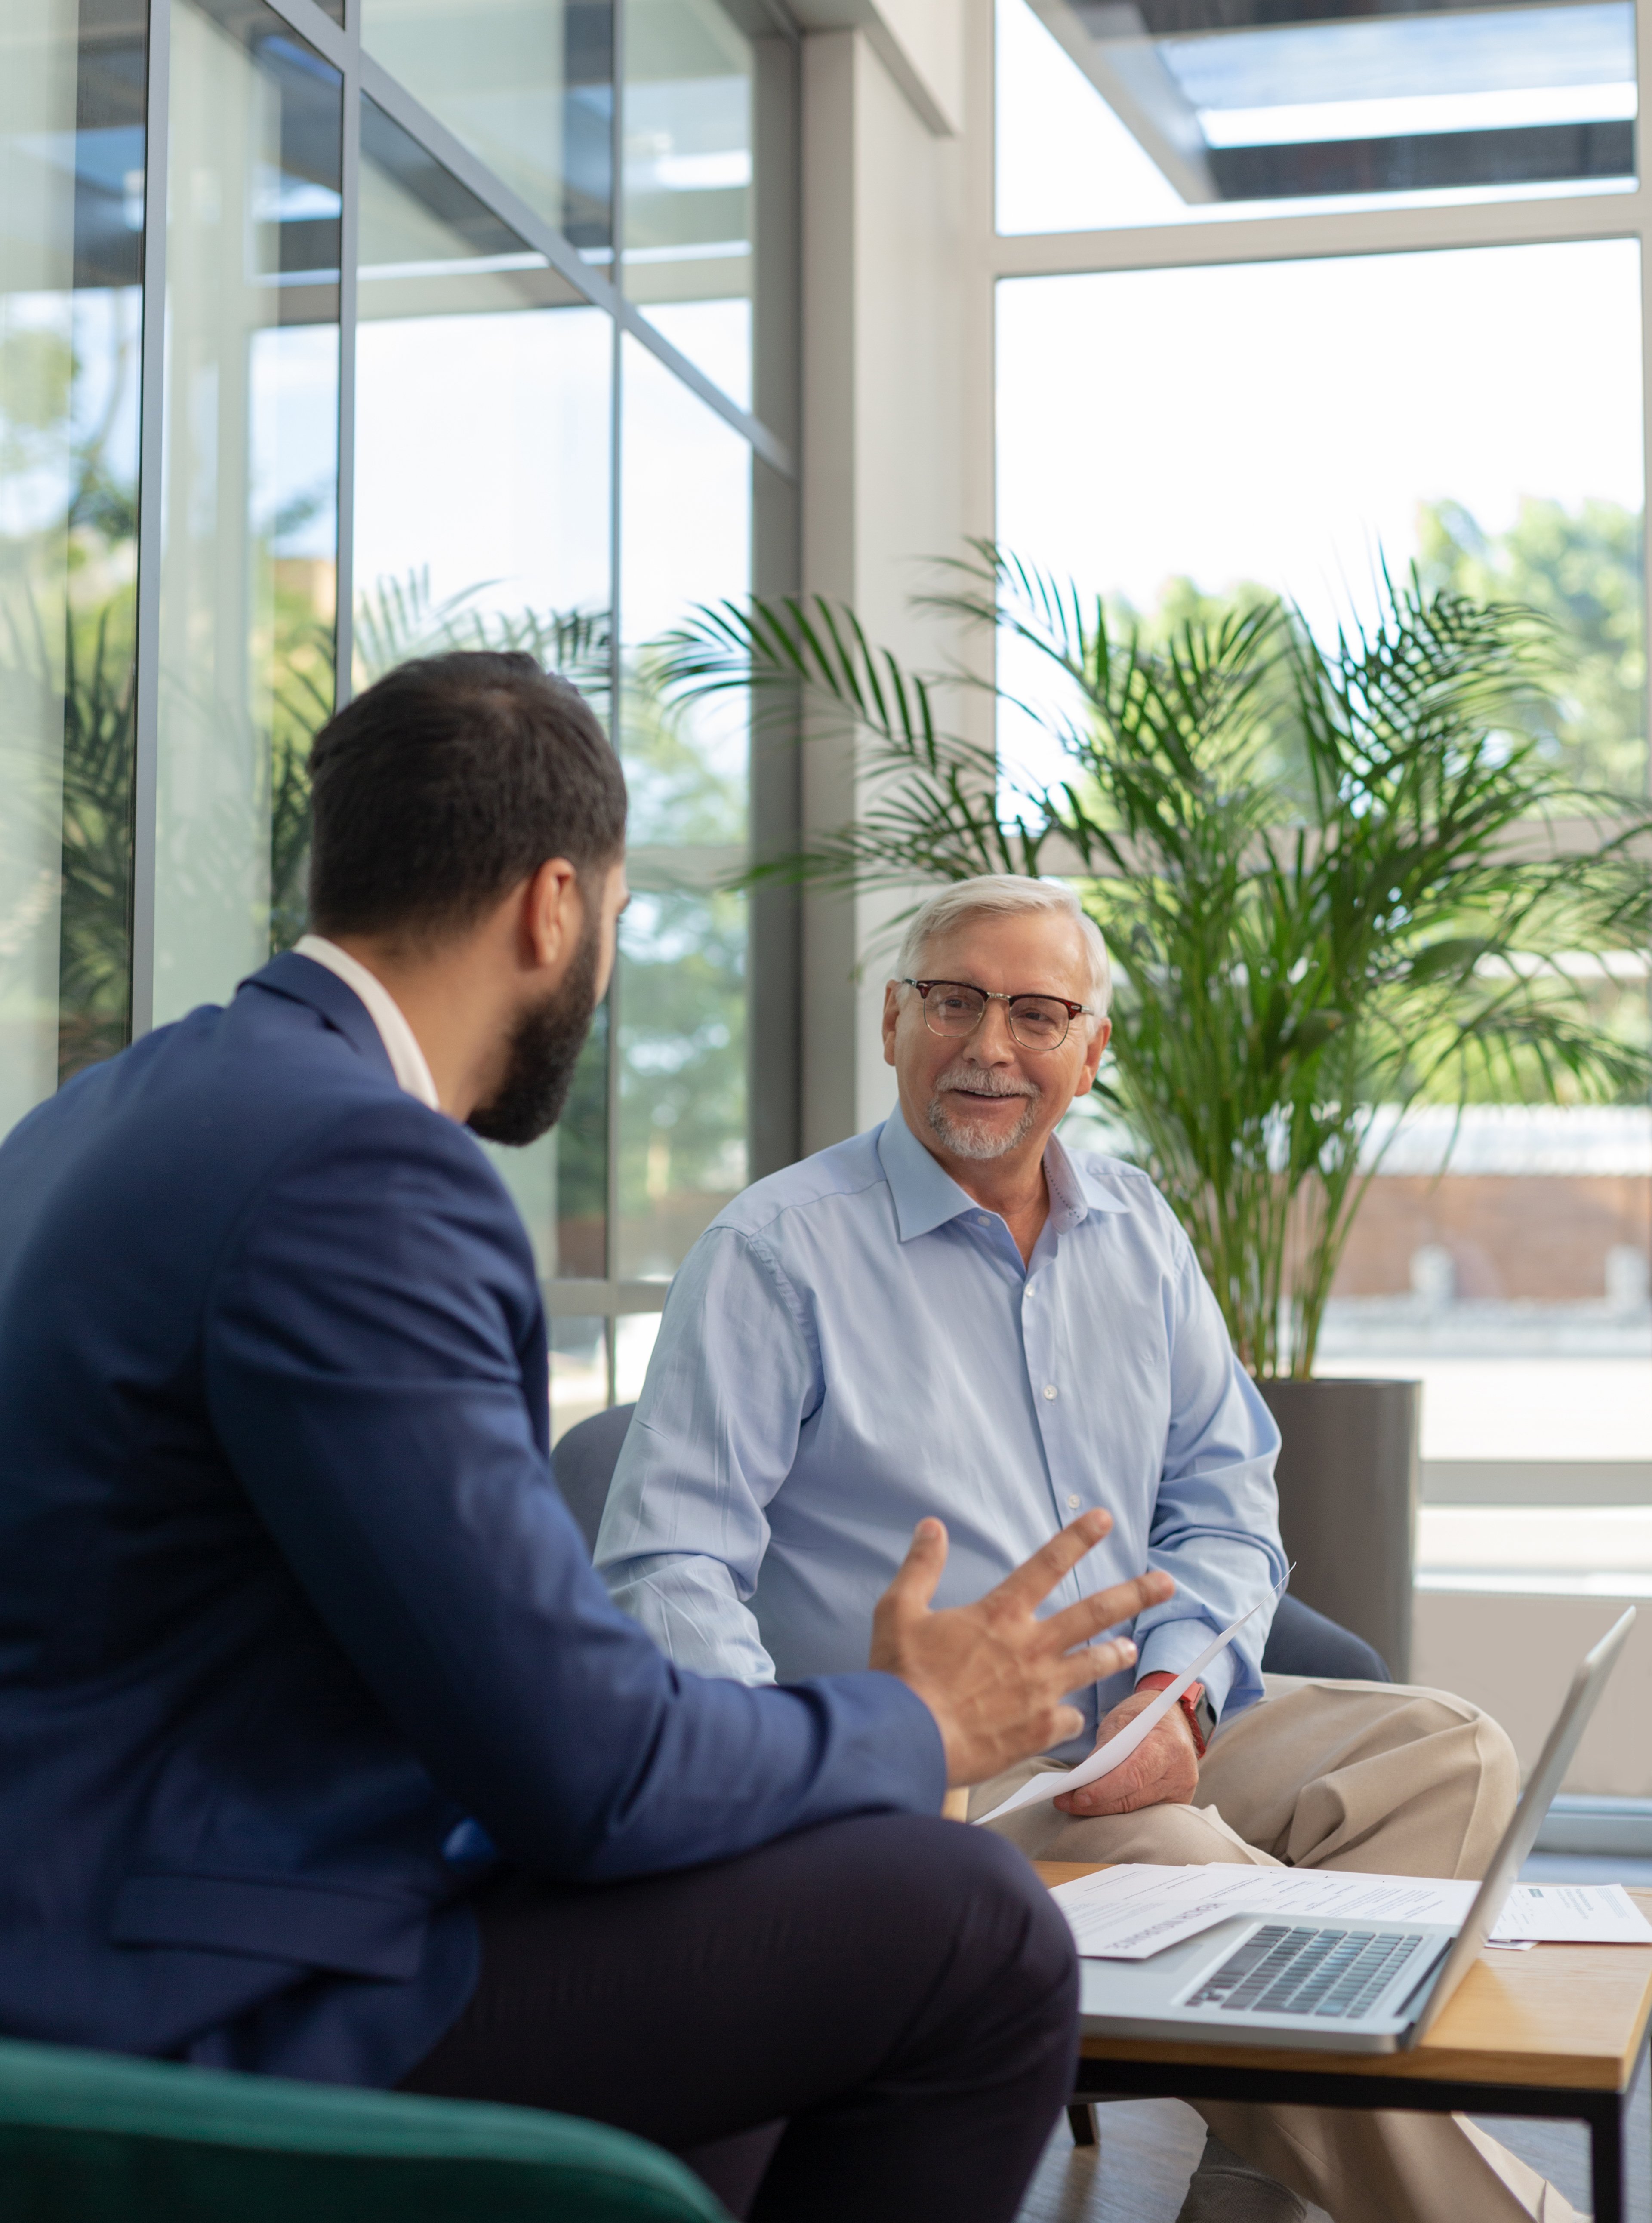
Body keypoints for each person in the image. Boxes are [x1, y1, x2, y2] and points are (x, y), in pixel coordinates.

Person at [0, 659, 1179, 2223]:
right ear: (557, 907)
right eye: (619, 922)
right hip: (212, 1994)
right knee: (968, 1924)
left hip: (109, 1906)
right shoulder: (363, 1173)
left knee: (758, 1947)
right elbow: (588, 1767)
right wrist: (915, 1726)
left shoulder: (98, 1113)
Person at [598, 872, 1577, 2223]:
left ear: (1089, 1050)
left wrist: (1183, 1688)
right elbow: (667, 1570)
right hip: (945, 1788)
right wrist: (814, 1779)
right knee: (1204, 1876)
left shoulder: (1139, 1231)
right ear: (894, 1023)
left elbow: (1226, 1495)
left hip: (1139, 1725)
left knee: (1448, 1753)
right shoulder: (776, 1254)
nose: (992, 1045)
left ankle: (1255, 2189)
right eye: (955, 1001)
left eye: (1037, 1012)